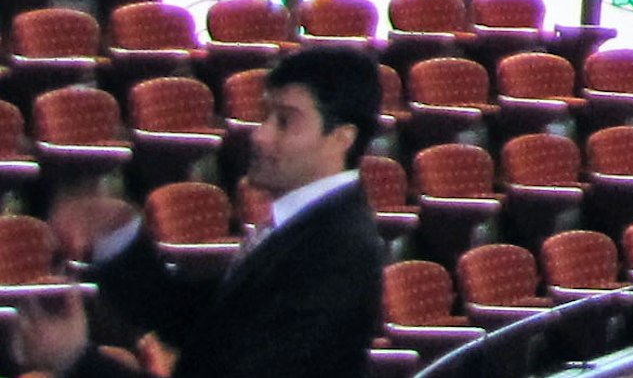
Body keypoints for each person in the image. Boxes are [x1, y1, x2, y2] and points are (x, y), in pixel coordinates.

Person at [10, 43, 385, 378]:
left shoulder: (337, 251)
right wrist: (120, 240)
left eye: (284, 121)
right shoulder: (311, 229)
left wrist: (77, 361)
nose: (260, 135)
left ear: (341, 138)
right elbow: (204, 324)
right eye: (265, 116)